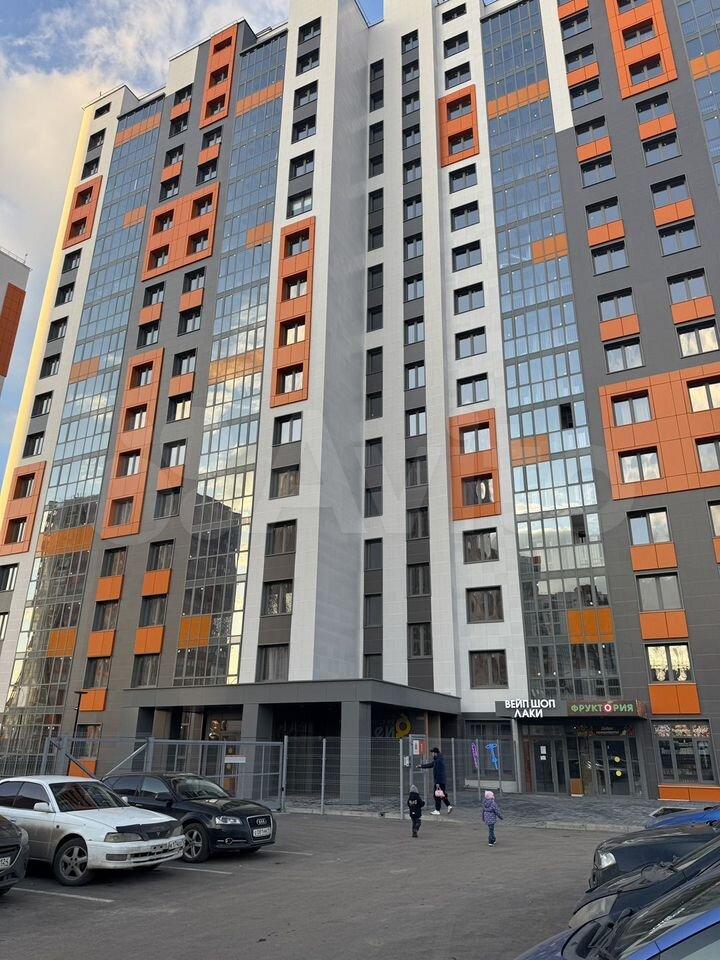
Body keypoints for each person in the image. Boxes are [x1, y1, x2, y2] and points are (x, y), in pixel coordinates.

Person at [419, 746, 453, 815]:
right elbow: (431, 765)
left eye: (432, 752)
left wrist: (437, 782)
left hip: (439, 781)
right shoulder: (438, 759)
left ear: (435, 753)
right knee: (441, 795)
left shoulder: (438, 761)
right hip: (441, 781)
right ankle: (448, 806)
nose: (432, 754)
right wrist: (421, 766)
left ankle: (437, 810)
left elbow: (439, 772)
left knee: (437, 795)